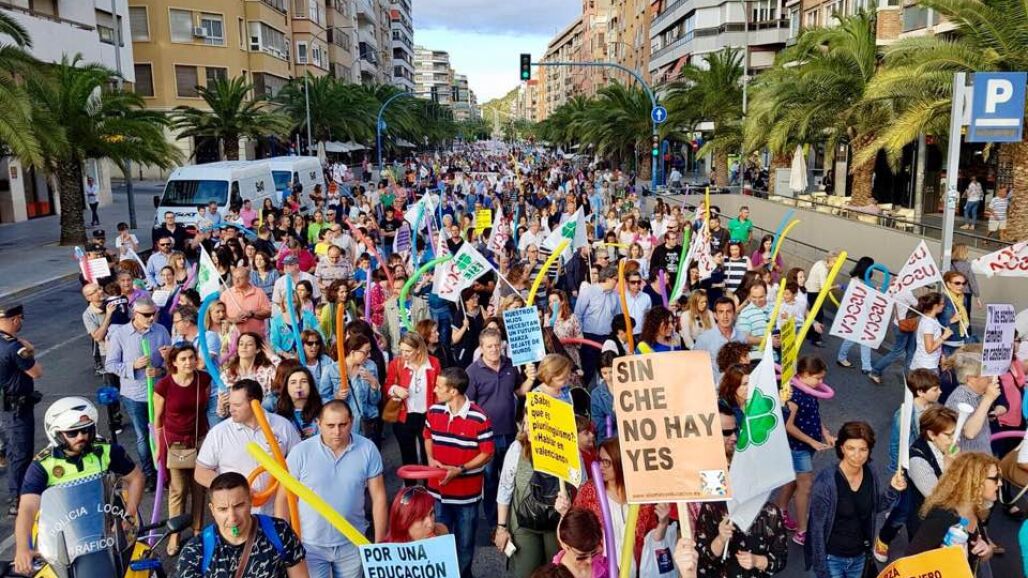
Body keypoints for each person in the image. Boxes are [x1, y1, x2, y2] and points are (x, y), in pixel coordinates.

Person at [13, 397, 145, 575]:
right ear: (57, 434)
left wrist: (128, 517)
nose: (81, 436)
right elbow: (28, 508)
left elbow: (136, 478)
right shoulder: (42, 465)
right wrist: (22, 549)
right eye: (73, 433)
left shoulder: (106, 451)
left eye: (86, 430)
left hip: (109, 529)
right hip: (65, 538)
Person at [277, 401, 387, 578]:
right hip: (310, 544)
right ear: (318, 423)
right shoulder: (300, 452)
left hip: (352, 541)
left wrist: (380, 542)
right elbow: (283, 498)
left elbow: (379, 497)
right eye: (330, 426)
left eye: (342, 425)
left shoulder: (368, 449)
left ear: (351, 421)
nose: (337, 432)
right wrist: (283, 541)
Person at [696, 403, 788, 576]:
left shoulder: (769, 513)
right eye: (726, 432)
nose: (734, 437)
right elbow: (702, 549)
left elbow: (779, 557)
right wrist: (720, 539)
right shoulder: (700, 472)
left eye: (735, 430)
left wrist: (757, 561)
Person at [806, 421, 906, 578]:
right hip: (833, 559)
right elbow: (816, 529)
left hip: (860, 556)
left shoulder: (870, 473)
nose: (857, 455)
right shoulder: (826, 482)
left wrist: (893, 490)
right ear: (841, 448)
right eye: (851, 448)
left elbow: (874, 507)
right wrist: (821, 570)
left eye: (863, 449)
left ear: (869, 450)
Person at [424, 367, 495, 577]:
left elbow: (487, 453)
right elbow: (427, 436)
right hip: (438, 493)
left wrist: (460, 469)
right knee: (439, 542)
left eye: (439, 386)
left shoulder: (479, 417)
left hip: (466, 496)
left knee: (464, 544)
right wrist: (431, 459)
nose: (435, 390)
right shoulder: (433, 411)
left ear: (453, 391)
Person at [194, 379, 301, 514]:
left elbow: (301, 464)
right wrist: (234, 488)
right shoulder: (219, 433)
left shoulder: (283, 426)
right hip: (238, 516)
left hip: (278, 512)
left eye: (237, 405)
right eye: (230, 404)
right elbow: (201, 472)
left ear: (255, 403)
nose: (231, 409)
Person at [176, 472, 308, 578]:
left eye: (239, 505)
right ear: (212, 510)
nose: (232, 517)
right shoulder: (195, 552)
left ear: (250, 501)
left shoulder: (279, 532)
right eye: (223, 509)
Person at [873, 370, 944, 561]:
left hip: (927, 467)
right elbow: (896, 445)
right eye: (935, 389)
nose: (940, 392)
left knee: (917, 508)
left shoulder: (935, 408)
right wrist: (900, 471)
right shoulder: (904, 414)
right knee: (904, 510)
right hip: (909, 469)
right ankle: (883, 539)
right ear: (920, 392)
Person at [105, 297, 169, 489]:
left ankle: (164, 472)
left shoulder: (161, 331)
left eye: (153, 314)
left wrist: (161, 368)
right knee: (143, 436)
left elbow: (170, 362)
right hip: (134, 395)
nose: (151, 318)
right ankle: (149, 474)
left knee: (162, 433)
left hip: (158, 392)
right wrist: (132, 365)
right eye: (146, 315)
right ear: (135, 314)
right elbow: (110, 365)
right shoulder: (120, 334)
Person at [154, 343, 211, 555]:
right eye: (183, 359)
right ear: (174, 363)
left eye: (191, 357)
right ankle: (175, 534)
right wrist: (157, 447)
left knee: (199, 488)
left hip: (200, 439)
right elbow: (158, 418)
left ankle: (197, 529)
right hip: (175, 442)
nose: (188, 362)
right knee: (178, 489)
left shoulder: (204, 379)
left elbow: (205, 406)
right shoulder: (164, 385)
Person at [467, 327, 526, 529]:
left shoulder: (510, 365)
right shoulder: (472, 372)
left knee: (513, 477)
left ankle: (515, 521)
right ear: (481, 348)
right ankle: (494, 524)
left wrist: (531, 378)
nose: (494, 350)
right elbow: (469, 406)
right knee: (491, 481)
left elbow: (519, 391)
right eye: (489, 346)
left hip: (510, 432)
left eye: (497, 345)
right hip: (487, 437)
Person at [906, 453, 1000, 571]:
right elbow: (910, 564)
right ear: (975, 482)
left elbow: (979, 558)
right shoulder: (942, 517)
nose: (1000, 483)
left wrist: (987, 550)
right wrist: (947, 559)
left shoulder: (975, 511)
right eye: (995, 479)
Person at [778, 356, 835, 546]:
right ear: (803, 374)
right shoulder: (794, 395)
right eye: (818, 378)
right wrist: (812, 442)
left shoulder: (810, 391)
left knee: (793, 480)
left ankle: (780, 509)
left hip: (806, 446)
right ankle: (802, 530)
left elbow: (814, 415)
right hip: (798, 447)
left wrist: (825, 433)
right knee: (805, 486)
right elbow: (788, 425)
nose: (821, 382)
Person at [385, 333, 441, 470]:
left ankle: (429, 482)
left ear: (419, 349)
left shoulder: (433, 363)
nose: (404, 354)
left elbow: (439, 389)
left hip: (427, 416)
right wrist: (395, 389)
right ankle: (411, 482)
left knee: (428, 454)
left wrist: (438, 413)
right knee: (408, 455)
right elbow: (387, 385)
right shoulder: (396, 364)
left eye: (408, 351)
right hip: (404, 416)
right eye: (401, 350)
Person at [945, 348, 1004, 454]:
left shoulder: (978, 394)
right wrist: (988, 399)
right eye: (986, 375)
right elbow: (970, 433)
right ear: (970, 379)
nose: (990, 379)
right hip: (969, 460)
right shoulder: (960, 398)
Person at [573, 265, 620, 385]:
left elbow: (617, 317)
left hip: (607, 338)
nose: (617, 282)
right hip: (589, 337)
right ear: (608, 278)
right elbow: (578, 314)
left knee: (606, 369)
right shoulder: (588, 291)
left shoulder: (615, 296)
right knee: (587, 370)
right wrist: (580, 335)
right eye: (616, 279)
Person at [835, 257, 876, 374]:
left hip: (860, 314)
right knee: (859, 339)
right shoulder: (857, 280)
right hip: (857, 314)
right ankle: (864, 366)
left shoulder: (859, 279)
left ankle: (864, 365)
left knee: (858, 339)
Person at [694, 298, 747, 380]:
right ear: (715, 315)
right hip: (714, 386)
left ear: (734, 314)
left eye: (728, 311)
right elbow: (696, 367)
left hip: (738, 385)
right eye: (721, 312)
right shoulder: (704, 339)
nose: (725, 316)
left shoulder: (741, 337)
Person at [553, 507, 611, 578]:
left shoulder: (606, 566)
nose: (589, 561)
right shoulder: (553, 575)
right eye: (582, 557)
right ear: (566, 547)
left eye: (594, 553)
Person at [222, 266, 273, 338]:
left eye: (240, 278)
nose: (236, 280)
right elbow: (220, 317)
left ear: (248, 278)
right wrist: (233, 320)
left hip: (255, 339)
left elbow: (268, 312)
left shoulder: (259, 292)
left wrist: (252, 313)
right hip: (233, 339)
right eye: (234, 277)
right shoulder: (226, 294)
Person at [383, 485, 448, 543]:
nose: (430, 525)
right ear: (403, 523)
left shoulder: (441, 534)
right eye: (421, 518)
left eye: (431, 513)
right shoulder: (388, 551)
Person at [273, 365, 323, 440]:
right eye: (293, 382)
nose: (298, 386)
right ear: (286, 387)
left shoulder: (323, 410)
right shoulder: (278, 417)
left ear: (311, 385)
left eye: (303, 381)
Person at [909, 292, 951, 372]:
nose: (944, 306)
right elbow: (929, 349)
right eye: (942, 304)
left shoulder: (932, 319)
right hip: (926, 367)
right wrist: (944, 337)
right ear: (935, 306)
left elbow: (934, 340)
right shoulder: (928, 324)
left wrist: (941, 356)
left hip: (928, 363)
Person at [735, 281, 774, 361]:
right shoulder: (745, 313)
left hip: (777, 356)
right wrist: (768, 341)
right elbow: (745, 338)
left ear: (766, 294)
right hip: (757, 358)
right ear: (749, 296)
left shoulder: (775, 308)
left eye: (761, 297)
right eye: (754, 297)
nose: (757, 300)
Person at [949, 244, 982, 322]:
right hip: (965, 293)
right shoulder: (967, 266)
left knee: (953, 313)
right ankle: (965, 329)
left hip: (952, 292)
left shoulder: (950, 264)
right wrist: (977, 297)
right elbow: (972, 281)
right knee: (965, 315)